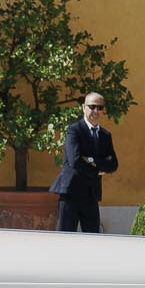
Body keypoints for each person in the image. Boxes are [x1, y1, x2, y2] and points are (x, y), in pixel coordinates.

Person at [51, 92, 118, 233]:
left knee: (92, 238)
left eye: (99, 108)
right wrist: (98, 169)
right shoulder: (74, 130)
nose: (96, 111)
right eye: (92, 106)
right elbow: (75, 160)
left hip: (91, 195)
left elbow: (113, 164)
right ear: (83, 107)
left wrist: (92, 160)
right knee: (65, 237)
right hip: (70, 193)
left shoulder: (105, 135)